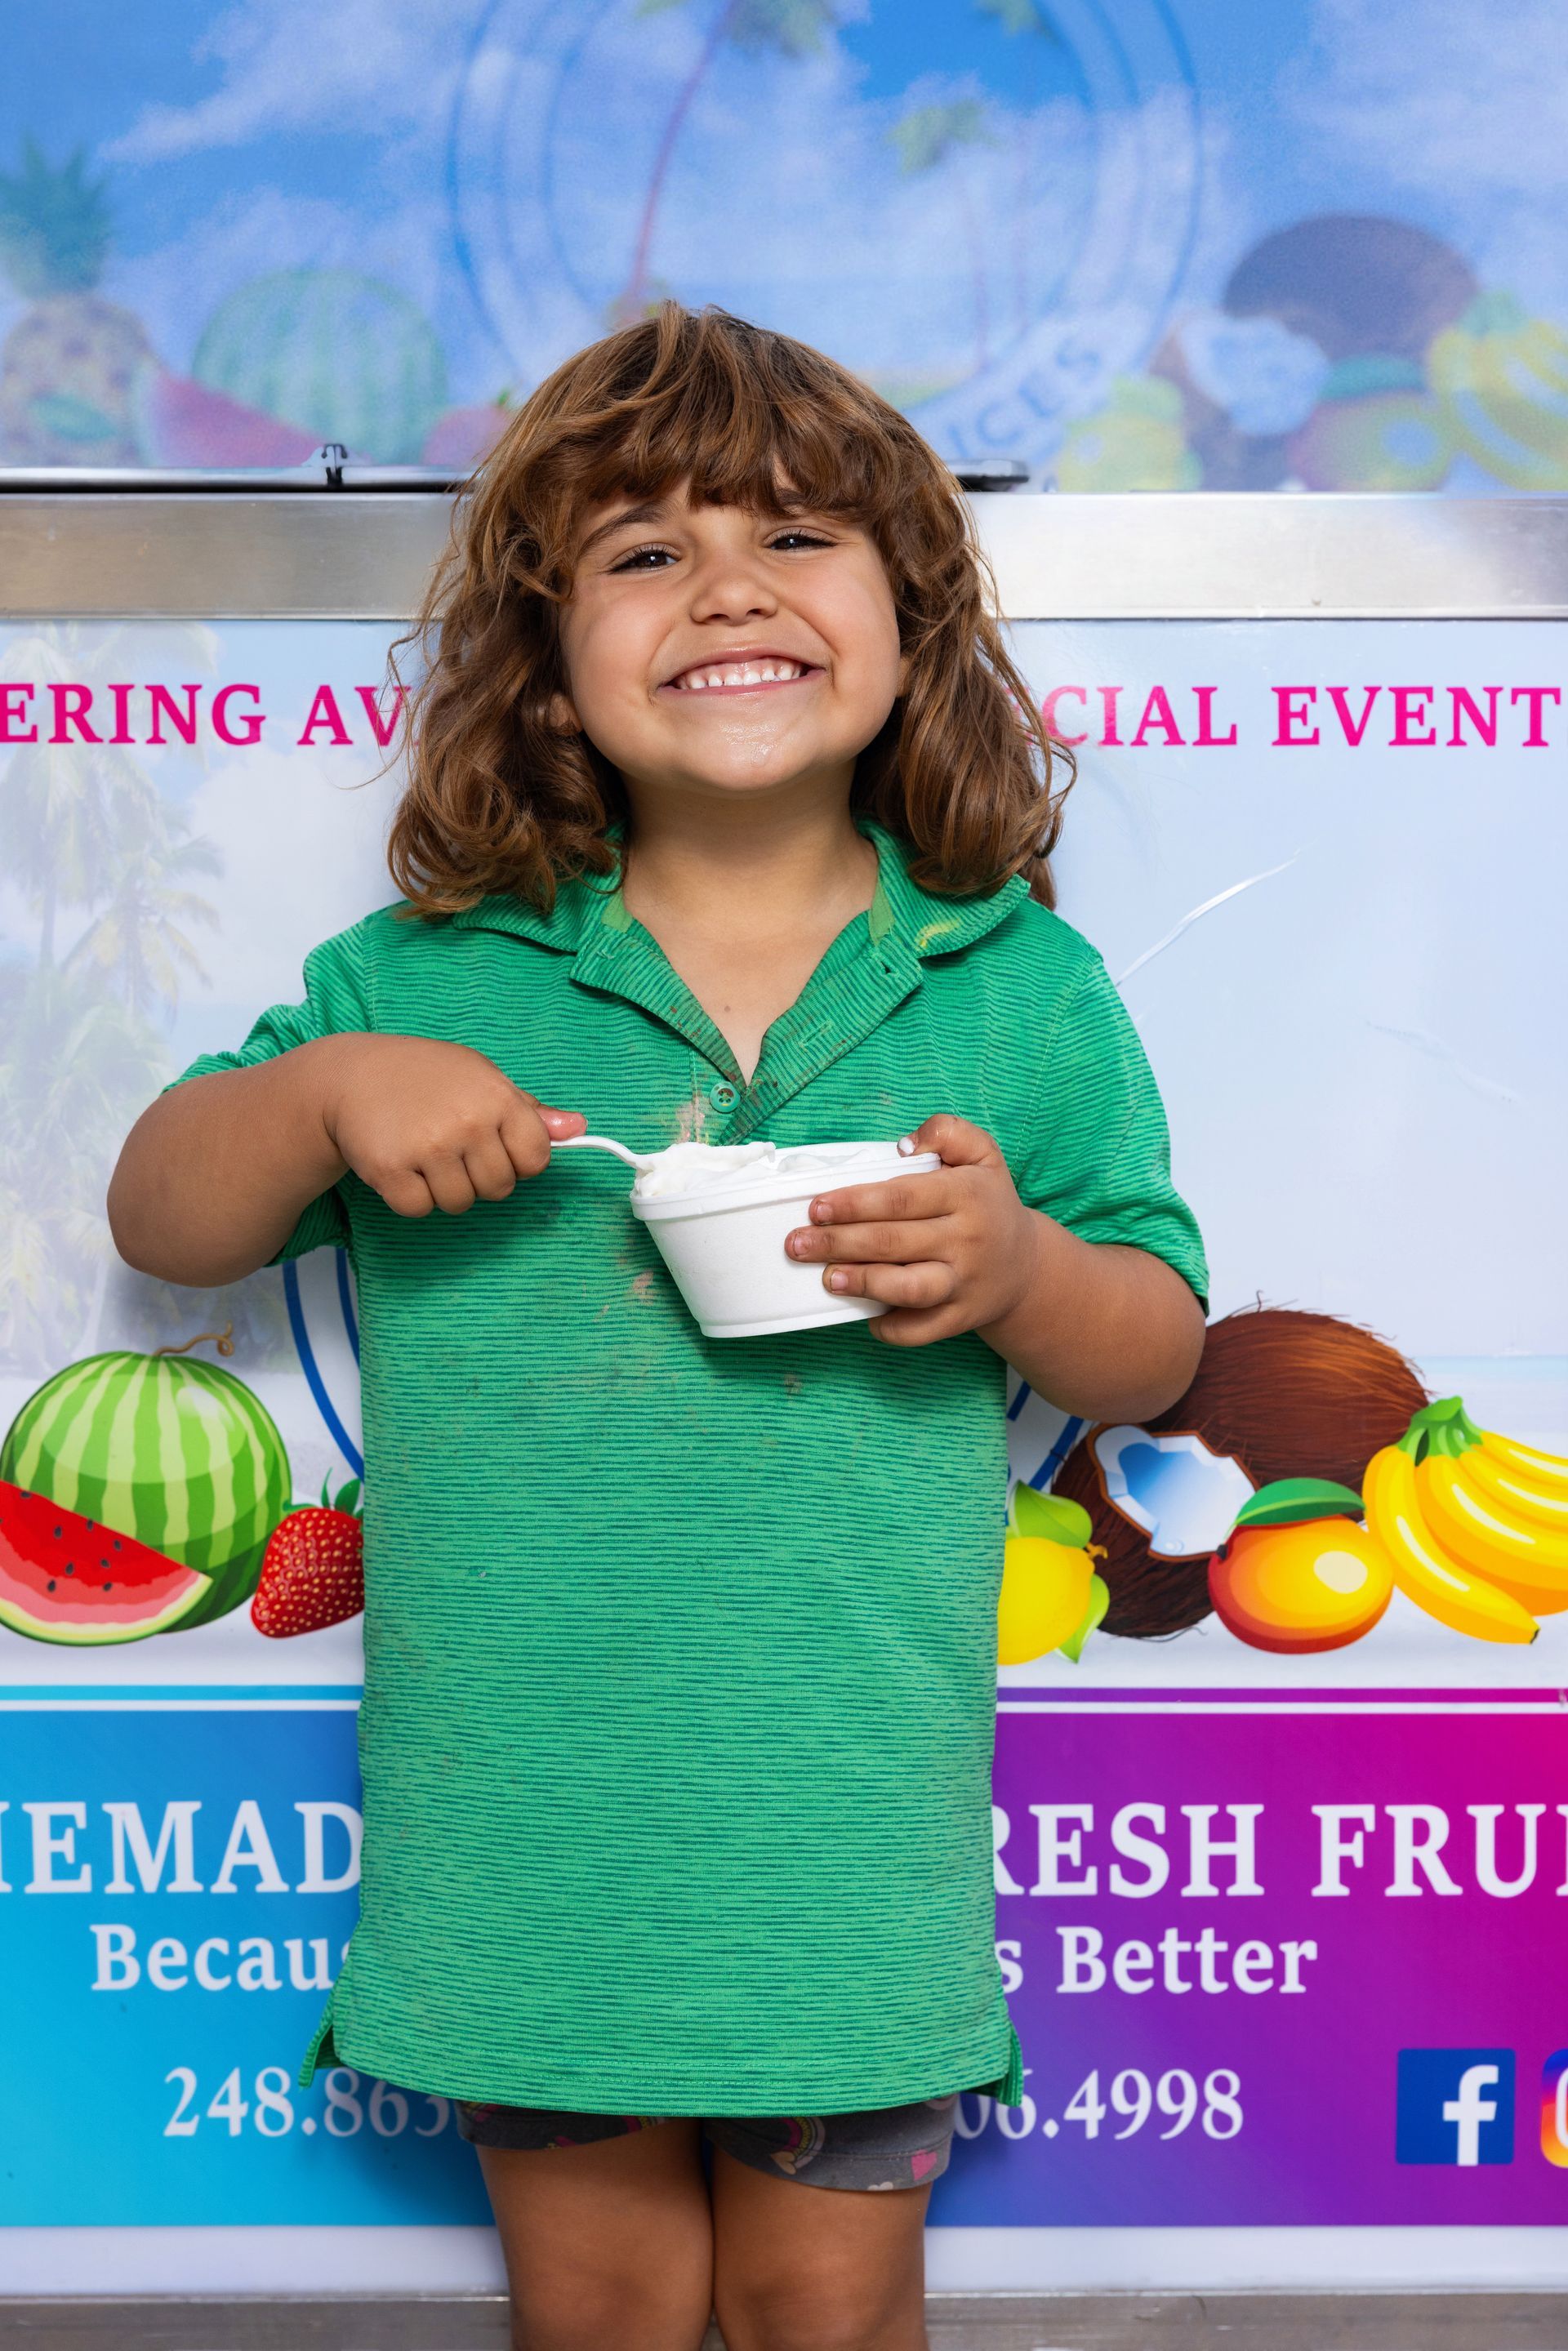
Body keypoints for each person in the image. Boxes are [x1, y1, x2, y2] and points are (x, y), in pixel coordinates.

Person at [109, 305, 1208, 2351]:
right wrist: (319, 1101)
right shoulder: (419, 975)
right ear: (550, 661)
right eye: (642, 553)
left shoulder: (1016, 989)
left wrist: (1023, 1275)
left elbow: (1151, 1351)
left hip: (838, 1838)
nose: (725, 588)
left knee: (833, 2316)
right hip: (533, 1829)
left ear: (908, 620)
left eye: (796, 539)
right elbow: (163, 1209)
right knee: (598, 2318)